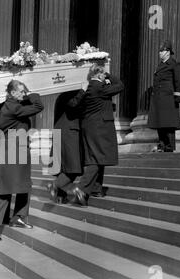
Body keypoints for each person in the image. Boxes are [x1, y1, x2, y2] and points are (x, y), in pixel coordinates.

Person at [0, 80, 44, 241]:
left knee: (24, 184)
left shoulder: (9, 105)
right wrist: (32, 94)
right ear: (13, 92)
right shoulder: (12, 107)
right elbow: (38, 106)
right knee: (6, 188)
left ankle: (19, 217)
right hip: (12, 150)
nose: (24, 94)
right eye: (22, 91)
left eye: (24, 92)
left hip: (17, 148)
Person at [68, 64, 124, 207]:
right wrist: (108, 75)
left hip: (90, 126)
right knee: (97, 158)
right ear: (99, 75)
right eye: (103, 74)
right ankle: (81, 189)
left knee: (98, 156)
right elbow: (120, 85)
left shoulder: (89, 87)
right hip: (100, 127)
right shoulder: (99, 87)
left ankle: (96, 189)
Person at [47, 83, 88, 203]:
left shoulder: (63, 95)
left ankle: (60, 196)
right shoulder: (69, 95)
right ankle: (54, 185)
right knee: (73, 168)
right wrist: (83, 91)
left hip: (63, 133)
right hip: (68, 134)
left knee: (64, 167)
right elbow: (73, 104)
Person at [148, 40, 180, 152]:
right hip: (159, 99)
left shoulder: (174, 64)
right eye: (159, 51)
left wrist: (178, 97)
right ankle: (162, 145)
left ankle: (169, 147)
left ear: (168, 52)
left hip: (168, 99)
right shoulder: (161, 65)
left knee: (168, 124)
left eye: (162, 51)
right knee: (160, 123)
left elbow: (179, 82)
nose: (159, 53)